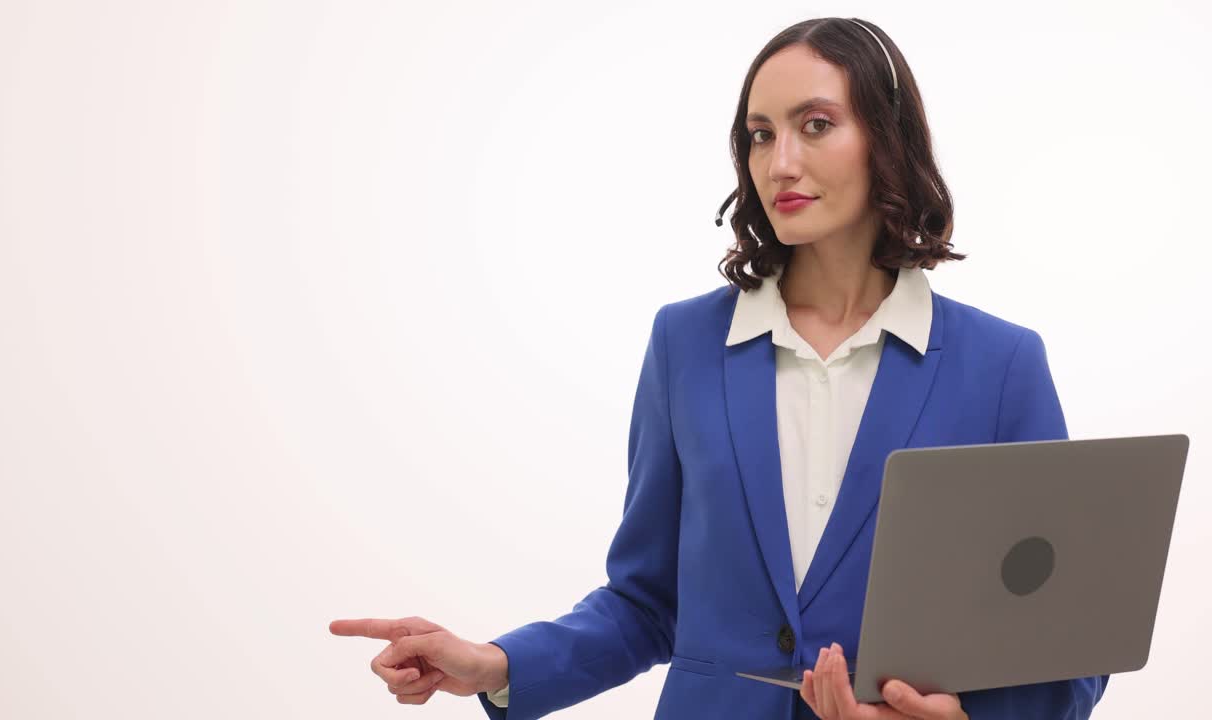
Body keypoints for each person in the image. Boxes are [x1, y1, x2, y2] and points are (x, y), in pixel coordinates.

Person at [329, 17, 1111, 719]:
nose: (780, 161)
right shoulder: (685, 345)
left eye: (815, 125)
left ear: (887, 138)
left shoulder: (1001, 364)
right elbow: (648, 601)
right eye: (760, 134)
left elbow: (1065, 638)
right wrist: (495, 666)